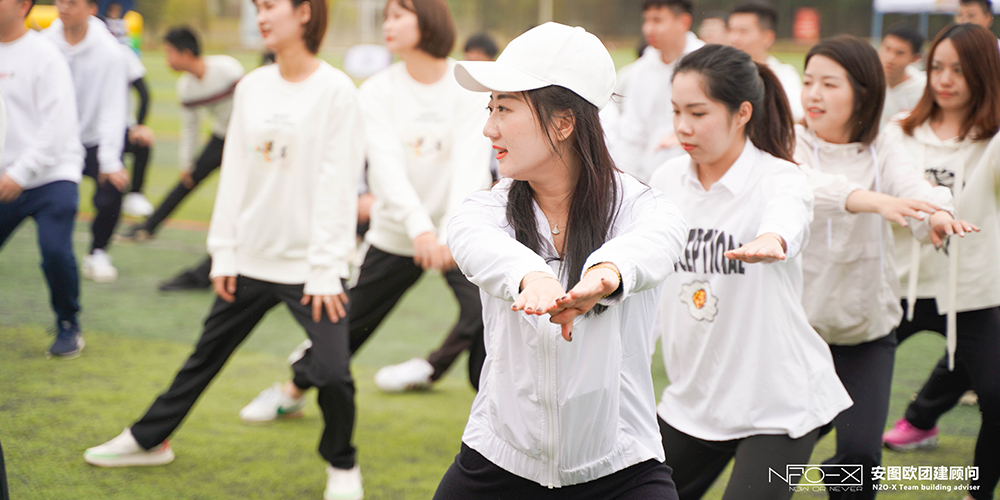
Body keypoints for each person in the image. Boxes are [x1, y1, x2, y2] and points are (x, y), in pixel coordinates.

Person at [82, 1, 367, 499]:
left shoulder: (337, 90)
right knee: (205, 357)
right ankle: (148, 439)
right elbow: (234, 172)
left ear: (305, 12)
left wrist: (326, 268)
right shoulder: (252, 86)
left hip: (312, 268)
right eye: (256, 7)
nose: (261, 15)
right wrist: (225, 252)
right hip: (250, 258)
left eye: (270, 6)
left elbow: (337, 187)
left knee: (334, 373)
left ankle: (342, 464)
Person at [433, 21, 686, 500]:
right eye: (490, 108)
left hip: (621, 466)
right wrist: (531, 276)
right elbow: (474, 243)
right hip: (499, 460)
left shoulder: (641, 206)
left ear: (564, 123)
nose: (489, 127)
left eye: (505, 108)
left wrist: (607, 274)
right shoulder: (486, 209)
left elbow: (660, 239)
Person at [239, 0, 491, 424]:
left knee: (490, 315)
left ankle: (499, 415)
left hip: (459, 233)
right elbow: (386, 169)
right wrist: (419, 230)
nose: (387, 24)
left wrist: (448, 232)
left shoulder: (467, 85)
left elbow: (471, 165)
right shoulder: (376, 90)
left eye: (398, 15)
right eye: (386, 16)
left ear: (428, 19)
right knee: (350, 322)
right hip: (396, 232)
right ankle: (293, 389)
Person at [649, 44, 850, 500]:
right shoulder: (666, 181)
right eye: (677, 111)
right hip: (694, 400)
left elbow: (788, 213)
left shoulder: (779, 178)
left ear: (742, 113)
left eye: (698, 113)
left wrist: (773, 239)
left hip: (777, 404)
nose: (683, 126)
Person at [796, 35, 971, 500]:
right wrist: (872, 201)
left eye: (829, 83)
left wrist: (936, 213)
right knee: (778, 457)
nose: (814, 94)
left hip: (865, 332)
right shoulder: (789, 141)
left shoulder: (884, 142)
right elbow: (805, 185)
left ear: (863, 92)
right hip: (797, 335)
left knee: (859, 460)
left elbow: (912, 187)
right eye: (809, 81)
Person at [879, 23, 1000, 500]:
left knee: (996, 397)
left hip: (972, 291)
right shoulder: (900, 131)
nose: (945, 79)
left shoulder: (994, 139)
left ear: (985, 73)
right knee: (830, 396)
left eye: (960, 70)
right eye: (937, 68)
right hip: (897, 287)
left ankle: (977, 493)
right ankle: (798, 478)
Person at [125, 27, 245, 293]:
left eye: (170, 53)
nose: (167, 59)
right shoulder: (186, 87)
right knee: (187, 182)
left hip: (246, 141)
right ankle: (149, 226)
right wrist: (186, 165)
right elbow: (190, 127)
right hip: (221, 137)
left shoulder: (227, 69)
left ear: (187, 53)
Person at [1, 0, 87, 357]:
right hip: (5, 177)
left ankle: (69, 323)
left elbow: (58, 126)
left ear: (23, 6)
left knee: (54, 251)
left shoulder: (45, 55)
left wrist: (20, 173)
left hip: (52, 175)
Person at [43, 0, 129, 283]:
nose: (63, 7)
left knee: (113, 188)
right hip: (53, 139)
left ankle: (97, 252)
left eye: (73, 2)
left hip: (91, 139)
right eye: (60, 1)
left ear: (92, 9)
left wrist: (110, 160)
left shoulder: (110, 52)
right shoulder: (45, 44)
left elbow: (113, 108)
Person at [614, 0, 703, 182]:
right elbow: (632, 131)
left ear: (684, 22)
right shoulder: (640, 69)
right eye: (646, 20)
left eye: (657, 20)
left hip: (694, 176)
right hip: (644, 178)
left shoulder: (706, 64)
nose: (648, 29)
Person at [727, 1, 804, 121]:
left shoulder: (784, 76)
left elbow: (797, 114)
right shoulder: (717, 73)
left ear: (768, 38)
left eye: (743, 31)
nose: (734, 39)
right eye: (731, 30)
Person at [120, 42, 155, 218]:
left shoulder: (122, 52)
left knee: (142, 142)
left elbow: (144, 92)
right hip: (83, 128)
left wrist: (140, 125)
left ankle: (135, 195)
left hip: (119, 126)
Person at [878, 24, 925, 128]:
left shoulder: (924, 89)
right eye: (887, 48)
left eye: (900, 53)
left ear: (915, 58)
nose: (890, 58)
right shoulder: (867, 80)